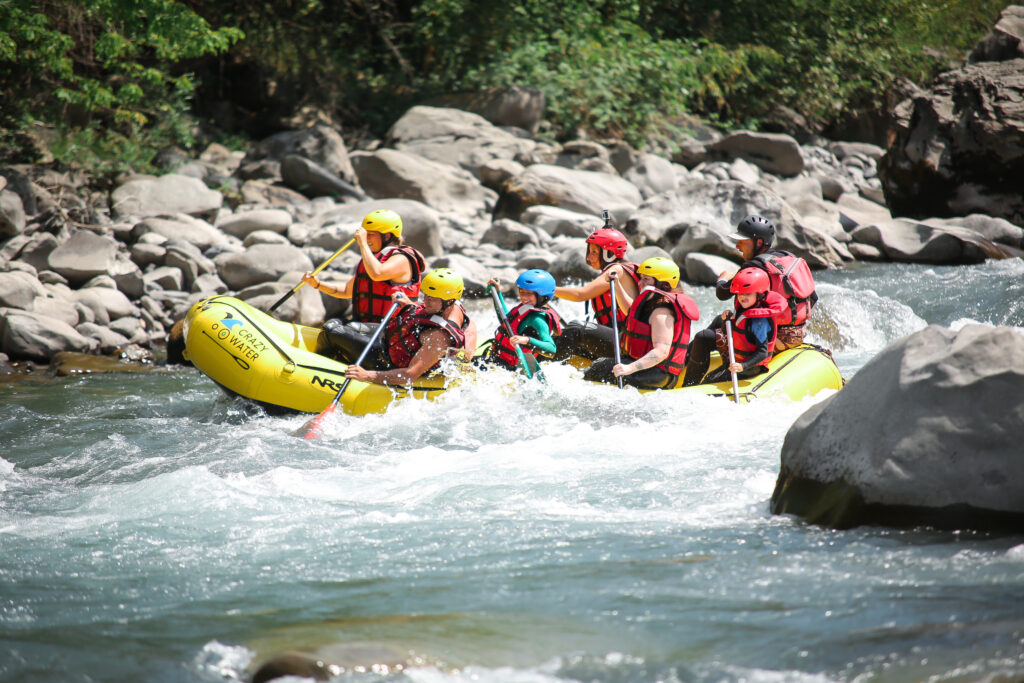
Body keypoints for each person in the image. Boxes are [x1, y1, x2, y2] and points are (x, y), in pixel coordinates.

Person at [301, 208, 427, 362]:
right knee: (331, 325)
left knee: (342, 329)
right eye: (365, 234)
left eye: (371, 234)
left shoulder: (402, 259)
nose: (366, 238)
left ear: (387, 236)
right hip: (368, 328)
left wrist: (362, 244)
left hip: (391, 333)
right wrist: (318, 284)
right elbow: (347, 290)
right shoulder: (372, 261)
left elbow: (377, 273)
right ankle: (320, 363)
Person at [343, 268, 477, 386]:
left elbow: (409, 375)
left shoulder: (440, 338)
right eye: (426, 296)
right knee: (348, 326)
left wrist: (367, 375)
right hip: (393, 337)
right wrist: (410, 305)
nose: (425, 301)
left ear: (449, 301)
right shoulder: (454, 305)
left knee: (333, 329)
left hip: (389, 359)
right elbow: (470, 326)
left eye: (432, 299)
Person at [583, 257, 699, 389]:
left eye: (646, 279)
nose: (640, 283)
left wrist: (629, 368)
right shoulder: (653, 302)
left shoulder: (662, 312)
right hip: (650, 368)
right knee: (600, 365)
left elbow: (661, 351)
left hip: (658, 374)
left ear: (664, 285)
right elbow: (630, 310)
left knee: (597, 369)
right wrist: (616, 284)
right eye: (641, 278)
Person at [715, 214, 818, 351]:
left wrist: (722, 278)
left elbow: (722, 293)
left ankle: (683, 366)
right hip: (799, 334)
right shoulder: (790, 259)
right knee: (719, 320)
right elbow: (813, 298)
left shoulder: (754, 268)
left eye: (743, 241)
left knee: (704, 336)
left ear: (759, 242)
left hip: (769, 338)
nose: (737, 246)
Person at [682, 267, 787, 386]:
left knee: (709, 380)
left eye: (748, 293)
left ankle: (691, 385)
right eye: (740, 293)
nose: (742, 297)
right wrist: (725, 320)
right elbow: (732, 333)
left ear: (759, 295)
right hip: (738, 357)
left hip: (750, 367)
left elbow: (762, 352)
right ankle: (687, 380)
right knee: (705, 336)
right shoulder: (744, 308)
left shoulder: (759, 321)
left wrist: (743, 366)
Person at [552, 223, 641, 361]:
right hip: (618, 338)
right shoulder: (619, 270)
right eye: (589, 252)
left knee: (577, 329)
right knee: (563, 336)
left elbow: (580, 294)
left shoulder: (616, 270)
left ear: (609, 254)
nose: (589, 258)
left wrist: (548, 289)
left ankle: (543, 366)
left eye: (594, 252)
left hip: (627, 342)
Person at [487, 269, 563, 375]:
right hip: (497, 359)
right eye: (522, 292)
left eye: (529, 293)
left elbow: (551, 349)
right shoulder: (524, 308)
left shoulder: (538, 319)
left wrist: (526, 340)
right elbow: (506, 321)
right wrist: (497, 292)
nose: (523, 297)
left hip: (511, 368)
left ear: (542, 296)